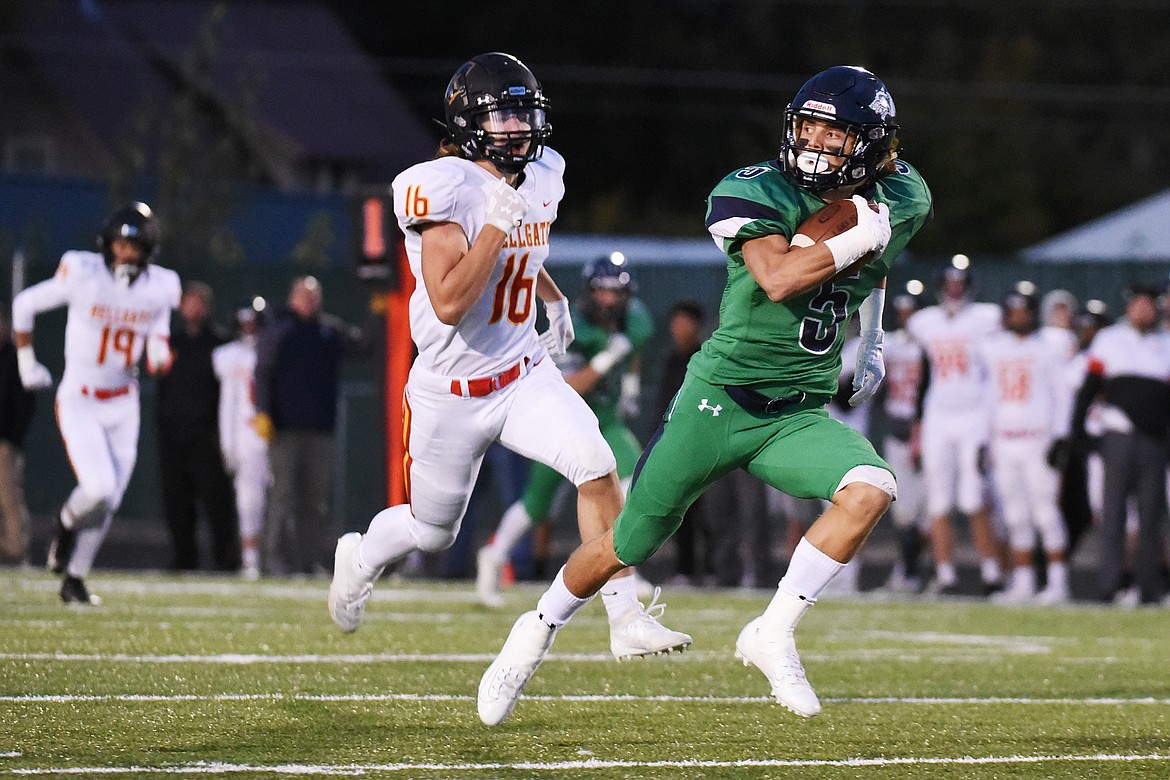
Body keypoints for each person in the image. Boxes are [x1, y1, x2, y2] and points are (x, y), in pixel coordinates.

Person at [479, 64, 932, 726]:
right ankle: (533, 632)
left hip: (796, 414)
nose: (813, 143)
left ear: (869, 145)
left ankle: (773, 631)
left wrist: (871, 337)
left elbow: (878, 265)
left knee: (871, 487)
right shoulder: (757, 190)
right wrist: (861, 232)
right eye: (807, 126)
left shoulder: (904, 192)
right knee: (627, 542)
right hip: (719, 401)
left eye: (833, 135)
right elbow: (779, 279)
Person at [327, 52, 689, 662]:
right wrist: (493, 225)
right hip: (450, 390)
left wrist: (553, 300)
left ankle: (624, 616)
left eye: (526, 114)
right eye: (504, 116)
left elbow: (523, 251)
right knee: (432, 532)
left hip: (523, 373)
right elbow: (447, 302)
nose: (519, 128)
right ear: (470, 123)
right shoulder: (439, 187)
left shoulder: (544, 172)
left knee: (596, 465)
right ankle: (358, 559)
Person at [11, 201, 180, 604]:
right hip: (81, 398)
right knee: (100, 487)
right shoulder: (83, 273)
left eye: (133, 248)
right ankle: (66, 523)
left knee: (110, 501)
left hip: (124, 401)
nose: (125, 254)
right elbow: (24, 305)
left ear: (148, 252)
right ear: (107, 244)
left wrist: (159, 352)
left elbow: (158, 330)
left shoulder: (161, 286)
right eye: (119, 245)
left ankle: (75, 578)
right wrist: (26, 361)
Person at [475, 251, 657, 608]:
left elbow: (635, 347)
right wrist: (607, 360)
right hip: (566, 420)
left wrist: (631, 382)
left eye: (615, 292)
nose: (608, 299)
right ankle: (493, 556)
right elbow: (571, 386)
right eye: (601, 291)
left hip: (605, 420)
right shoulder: (574, 328)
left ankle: (624, 567)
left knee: (635, 480)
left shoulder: (635, 320)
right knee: (535, 505)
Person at [254, 275, 369, 575]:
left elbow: (363, 345)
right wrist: (263, 412)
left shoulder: (329, 330)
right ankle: (272, 560)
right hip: (285, 429)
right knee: (282, 495)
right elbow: (262, 372)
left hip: (320, 429)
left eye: (314, 295)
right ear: (292, 298)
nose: (310, 301)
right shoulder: (280, 330)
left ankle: (309, 560)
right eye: (304, 296)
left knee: (315, 501)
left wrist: (379, 313)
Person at [905, 261, 1004, 595]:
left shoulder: (985, 319)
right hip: (938, 416)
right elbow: (922, 378)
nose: (954, 289)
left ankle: (992, 572)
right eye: (949, 283)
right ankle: (945, 574)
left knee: (974, 497)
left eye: (959, 283)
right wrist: (917, 429)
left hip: (974, 415)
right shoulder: (926, 322)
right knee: (938, 500)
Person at [1070, 283, 1170, 604]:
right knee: (1112, 514)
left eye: (1148, 305)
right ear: (1129, 308)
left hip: (1154, 439)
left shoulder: (1165, 343)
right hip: (1118, 435)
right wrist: (1079, 434)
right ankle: (1109, 585)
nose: (1143, 311)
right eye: (1138, 305)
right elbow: (1089, 389)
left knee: (1151, 516)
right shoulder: (1110, 339)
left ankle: (1147, 587)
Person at [976, 284, 1073, 604]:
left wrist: (1060, 437)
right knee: (1014, 515)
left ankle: (1058, 584)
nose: (1018, 317)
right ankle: (1024, 582)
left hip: (1037, 440)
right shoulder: (994, 348)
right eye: (1013, 311)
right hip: (1004, 442)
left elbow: (1063, 395)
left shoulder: (1049, 347)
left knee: (1045, 513)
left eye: (1023, 311)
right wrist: (983, 440)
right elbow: (988, 398)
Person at [156, 281, 239, 572]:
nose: (194, 308)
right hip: (173, 436)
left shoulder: (220, 343)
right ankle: (183, 559)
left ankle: (225, 560)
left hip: (207, 436)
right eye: (189, 302)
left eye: (200, 302)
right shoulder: (169, 343)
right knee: (177, 503)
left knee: (217, 503)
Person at [212, 297, 270, 580]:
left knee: (279, 498)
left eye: (253, 323)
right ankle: (251, 559)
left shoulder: (273, 350)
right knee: (248, 500)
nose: (249, 329)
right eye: (244, 323)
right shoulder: (228, 356)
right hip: (245, 434)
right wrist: (227, 443)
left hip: (272, 431)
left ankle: (276, 556)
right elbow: (227, 404)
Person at [877, 289, 929, 592]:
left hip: (926, 428)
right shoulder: (891, 344)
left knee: (930, 510)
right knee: (904, 511)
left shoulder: (930, 345)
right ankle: (907, 570)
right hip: (898, 428)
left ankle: (915, 570)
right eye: (903, 311)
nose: (907, 318)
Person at [0, 311, 36, 565]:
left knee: (9, 496)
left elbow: (26, 403)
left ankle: (17, 551)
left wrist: (12, 439)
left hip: (4, 442)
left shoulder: (15, 358)